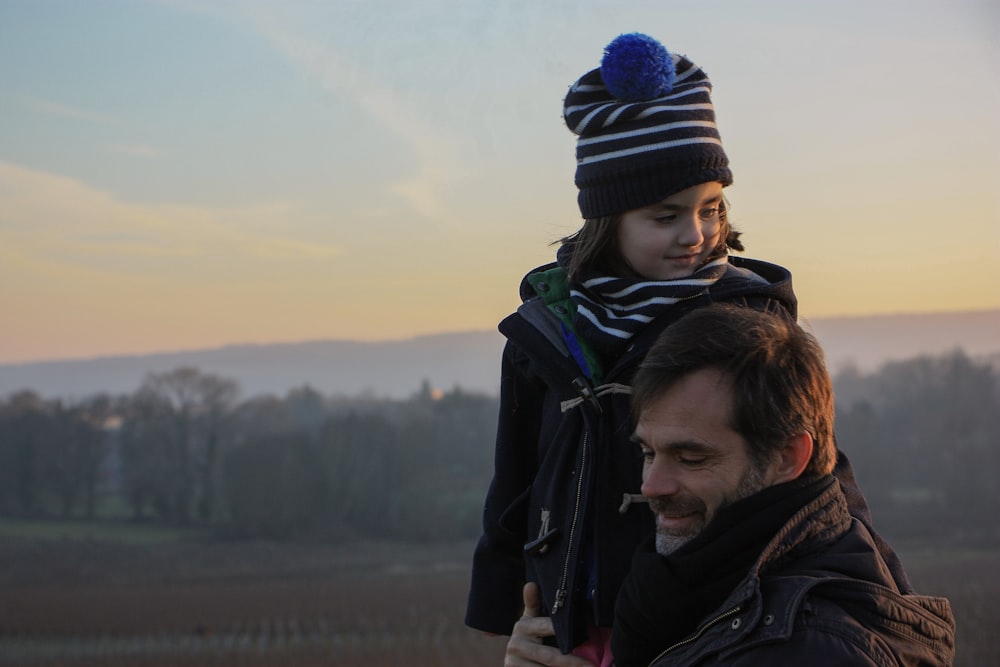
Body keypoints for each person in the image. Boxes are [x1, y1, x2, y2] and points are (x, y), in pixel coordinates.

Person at [466, 33, 906, 664]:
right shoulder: (547, 326)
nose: (694, 235)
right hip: (573, 612)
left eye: (710, 208)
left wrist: (865, 596)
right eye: (664, 216)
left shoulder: (748, 320)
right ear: (607, 218)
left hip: (713, 615)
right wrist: (500, 602)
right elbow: (515, 476)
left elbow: (815, 475)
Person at [507, 304, 955, 666]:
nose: (653, 485)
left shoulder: (809, 650)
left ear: (787, 457)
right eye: (648, 453)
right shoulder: (689, 590)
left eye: (692, 457)